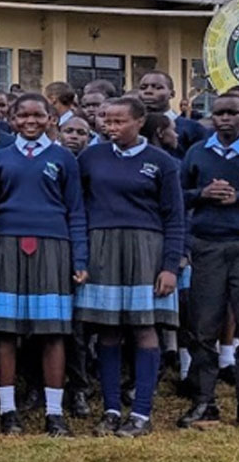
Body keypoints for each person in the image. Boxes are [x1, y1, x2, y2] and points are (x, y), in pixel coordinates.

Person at [76, 97, 184, 438]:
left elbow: (175, 217)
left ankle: (141, 413)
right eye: (105, 120)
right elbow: (78, 208)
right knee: (107, 330)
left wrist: (170, 266)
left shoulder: (161, 161)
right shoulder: (89, 157)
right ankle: (110, 410)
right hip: (102, 249)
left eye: (119, 120)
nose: (110, 126)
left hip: (145, 250)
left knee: (144, 328)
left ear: (140, 122)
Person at [0, 93, 86, 436]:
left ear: (50, 119)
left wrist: (80, 258)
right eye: (22, 116)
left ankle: (54, 414)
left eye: (37, 115)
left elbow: (75, 211)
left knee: (53, 331)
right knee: (5, 331)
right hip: (7, 246)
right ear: (11, 120)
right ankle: (8, 411)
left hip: (54, 247)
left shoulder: (64, 158)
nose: (30, 121)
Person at [180, 95, 239, 428]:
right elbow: (178, 194)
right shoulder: (197, 152)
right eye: (218, 113)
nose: (224, 119)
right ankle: (203, 401)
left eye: (231, 113)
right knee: (203, 326)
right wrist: (201, 195)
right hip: (207, 245)